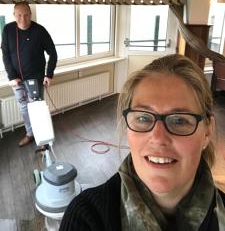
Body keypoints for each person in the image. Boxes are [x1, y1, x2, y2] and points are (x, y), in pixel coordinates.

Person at [59, 54, 225, 231]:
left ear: (207, 132)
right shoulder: (86, 217)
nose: (158, 138)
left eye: (179, 121)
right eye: (143, 118)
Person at [1, 1, 57, 147]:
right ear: (14, 15)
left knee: (37, 109)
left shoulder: (39, 31)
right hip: (17, 80)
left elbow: (53, 53)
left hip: (35, 79)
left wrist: (48, 74)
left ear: (30, 15)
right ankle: (30, 134)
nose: (23, 19)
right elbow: (5, 55)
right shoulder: (7, 30)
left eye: (26, 15)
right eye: (19, 15)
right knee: (24, 109)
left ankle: (43, 138)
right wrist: (12, 76)